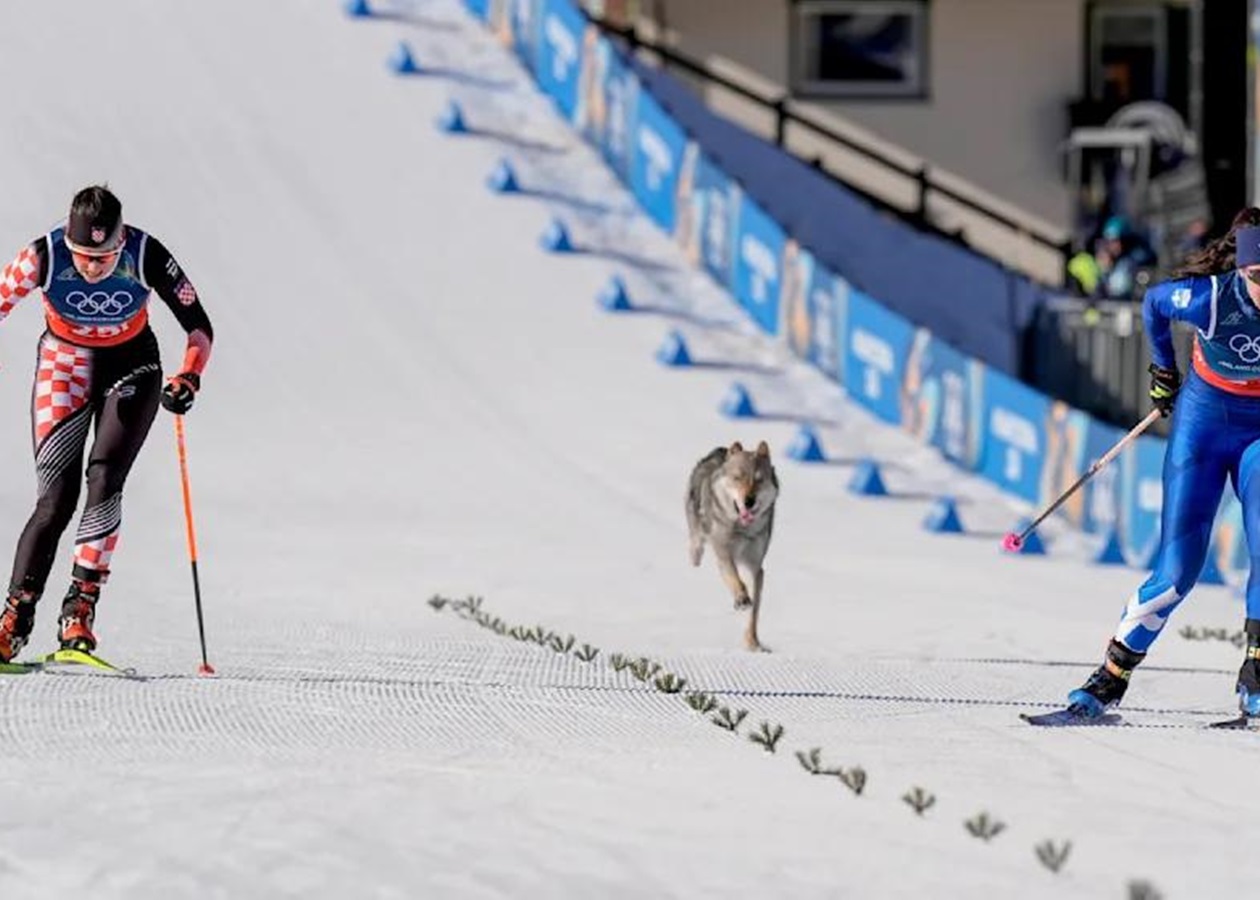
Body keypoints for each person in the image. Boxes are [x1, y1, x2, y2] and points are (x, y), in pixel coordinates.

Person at [0, 185, 213, 661]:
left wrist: (189, 377)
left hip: (132, 365)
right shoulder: (44, 254)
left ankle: (79, 611)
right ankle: (15, 618)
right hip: (64, 366)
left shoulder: (145, 252)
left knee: (105, 479)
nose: (94, 268)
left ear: (120, 241)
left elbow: (199, 325)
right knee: (55, 500)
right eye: (84, 256)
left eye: (106, 256)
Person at [1067, 206, 1260, 718]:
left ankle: (1256, 679)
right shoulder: (1212, 299)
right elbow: (1153, 304)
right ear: (1241, 270)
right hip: (1204, 424)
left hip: (1258, 433)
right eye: (1259, 276)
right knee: (1178, 569)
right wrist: (1163, 372)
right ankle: (1110, 678)